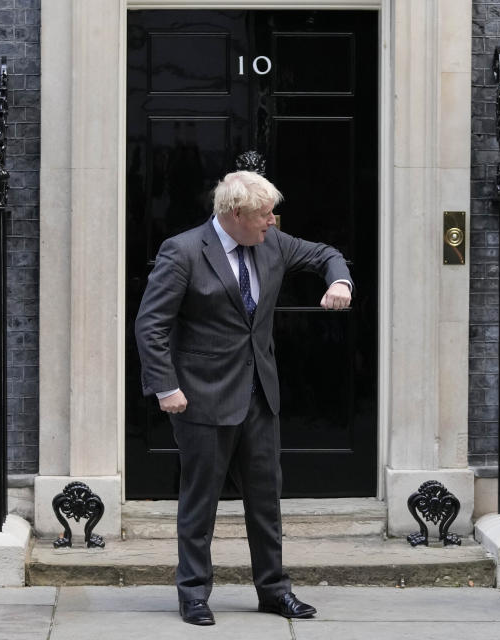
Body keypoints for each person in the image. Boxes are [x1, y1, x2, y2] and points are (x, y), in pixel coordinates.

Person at [135, 170, 353, 626]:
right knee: (201, 501)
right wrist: (166, 388)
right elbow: (150, 326)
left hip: (258, 399)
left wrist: (340, 282)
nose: (273, 220)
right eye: (265, 213)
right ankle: (193, 594)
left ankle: (274, 590)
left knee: (266, 500)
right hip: (201, 400)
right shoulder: (184, 251)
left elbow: (326, 254)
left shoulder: (272, 243)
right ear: (235, 214)